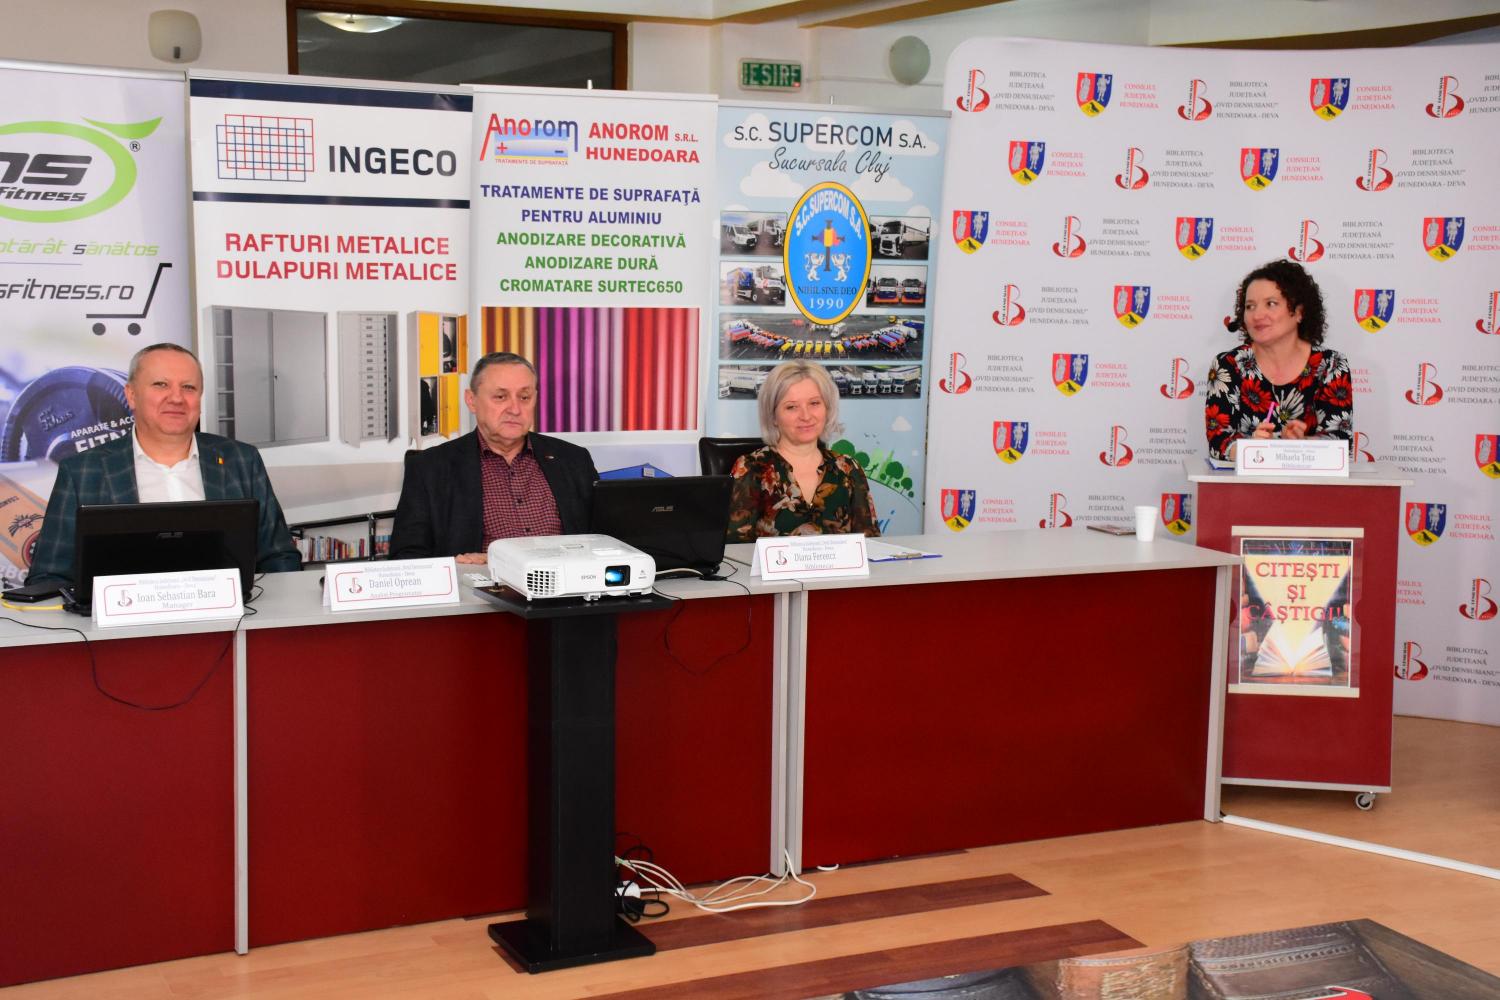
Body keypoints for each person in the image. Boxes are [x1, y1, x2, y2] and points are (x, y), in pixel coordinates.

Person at [27, 343, 301, 587]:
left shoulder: (241, 460)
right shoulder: (83, 472)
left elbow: (279, 557)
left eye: (188, 387)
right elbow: (49, 577)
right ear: (131, 395)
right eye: (161, 385)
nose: (177, 398)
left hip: (231, 623)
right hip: (122, 626)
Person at [390, 352, 596, 562]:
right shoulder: (430, 469)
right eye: (500, 397)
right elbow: (406, 558)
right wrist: (463, 566)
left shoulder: (574, 460)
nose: (515, 409)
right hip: (476, 583)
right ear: (471, 400)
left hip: (566, 581)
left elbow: (606, 542)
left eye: (524, 397)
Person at [1205, 259, 1353, 461]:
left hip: (1309, 481)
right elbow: (1218, 441)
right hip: (1245, 481)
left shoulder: (1331, 364)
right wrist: (1250, 449)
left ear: (1299, 312)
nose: (1257, 315)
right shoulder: (1228, 364)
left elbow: (1341, 441)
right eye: (1250, 306)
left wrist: (1301, 444)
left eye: (1271, 304)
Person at [725, 359, 880, 541]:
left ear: (827, 408)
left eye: (814, 403)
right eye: (791, 407)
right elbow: (734, 550)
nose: (806, 416)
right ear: (773, 416)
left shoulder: (848, 469)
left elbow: (870, 544)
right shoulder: (751, 469)